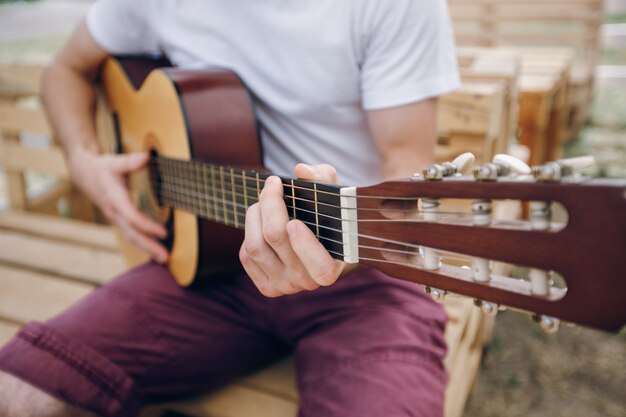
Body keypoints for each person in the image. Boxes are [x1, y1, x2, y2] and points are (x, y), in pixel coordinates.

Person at [0, 0, 460, 416]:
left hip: (367, 274)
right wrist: (85, 163)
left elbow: (406, 191)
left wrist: (339, 246)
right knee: (14, 390)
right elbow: (65, 70)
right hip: (207, 264)